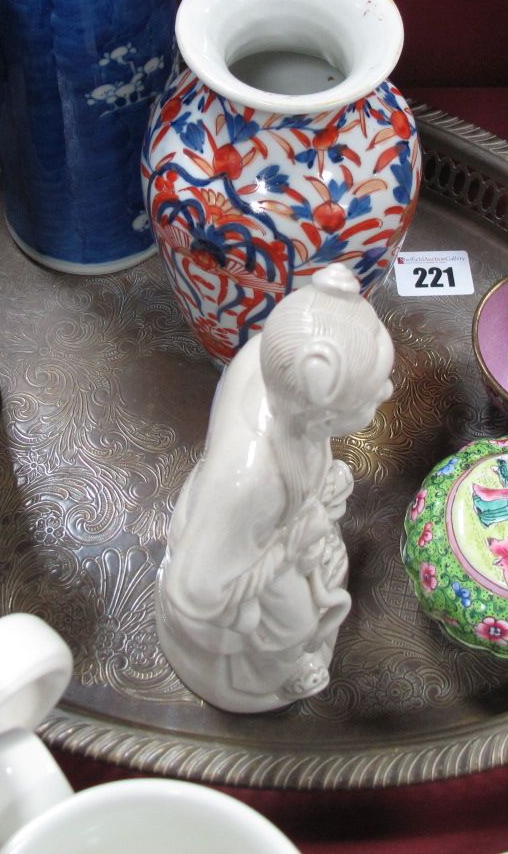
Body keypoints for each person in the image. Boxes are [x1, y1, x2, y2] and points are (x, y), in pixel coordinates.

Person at [157, 263, 394, 713]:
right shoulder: (254, 479)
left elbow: (303, 448)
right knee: (295, 623)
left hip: (257, 521)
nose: (386, 391)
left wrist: (319, 486)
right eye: (370, 394)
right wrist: (288, 551)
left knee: (329, 565)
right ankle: (259, 675)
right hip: (227, 562)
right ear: (319, 411)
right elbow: (195, 593)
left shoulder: (266, 359)